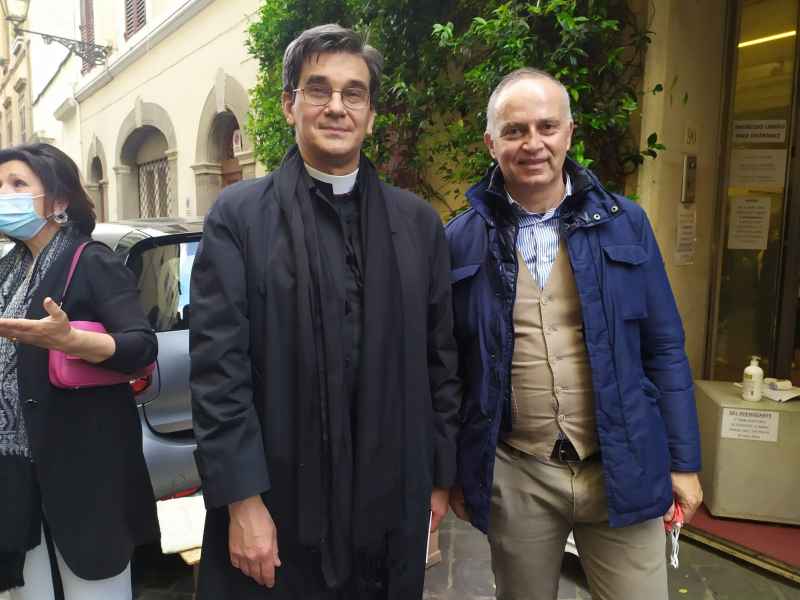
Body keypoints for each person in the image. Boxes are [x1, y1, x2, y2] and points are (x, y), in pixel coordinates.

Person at [189, 24, 460, 600]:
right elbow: (219, 372)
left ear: (371, 115)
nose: (337, 107)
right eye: (318, 90)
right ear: (289, 105)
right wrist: (242, 502)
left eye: (353, 93)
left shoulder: (416, 224)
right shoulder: (239, 218)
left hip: (389, 503)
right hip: (278, 505)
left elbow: (440, 360)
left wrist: (438, 480)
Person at [445, 68, 703, 600]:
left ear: (569, 132)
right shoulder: (459, 240)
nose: (532, 143)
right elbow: (448, 368)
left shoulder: (627, 224)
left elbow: (664, 348)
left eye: (546, 127)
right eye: (515, 131)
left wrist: (684, 462)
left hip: (623, 466)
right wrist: (456, 471)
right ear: (491, 143)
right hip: (518, 471)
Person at [0, 143, 159, 599]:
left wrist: (71, 341)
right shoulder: (9, 268)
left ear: (58, 200)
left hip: (85, 476)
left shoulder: (91, 261)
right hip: (17, 479)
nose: (4, 195)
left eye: (17, 184)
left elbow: (141, 348)